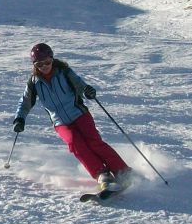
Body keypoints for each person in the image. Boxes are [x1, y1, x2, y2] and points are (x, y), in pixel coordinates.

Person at [12, 42, 131, 192]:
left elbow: (80, 85)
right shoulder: (34, 83)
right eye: (39, 64)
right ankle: (102, 175)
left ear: (52, 59)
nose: (44, 66)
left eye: (47, 62)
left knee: (94, 142)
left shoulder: (64, 72)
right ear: (35, 65)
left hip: (79, 114)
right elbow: (25, 102)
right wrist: (20, 118)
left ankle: (122, 172)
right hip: (60, 122)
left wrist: (87, 91)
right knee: (75, 144)